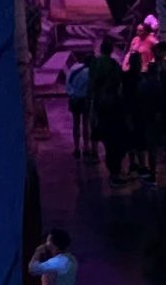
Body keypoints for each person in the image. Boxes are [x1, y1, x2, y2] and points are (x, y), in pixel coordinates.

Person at [88, 37, 124, 176]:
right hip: (111, 101)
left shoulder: (95, 63)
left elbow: (91, 81)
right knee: (110, 130)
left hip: (98, 100)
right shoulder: (114, 64)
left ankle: (94, 152)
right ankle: (111, 157)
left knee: (95, 125)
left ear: (101, 49)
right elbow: (119, 83)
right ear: (111, 50)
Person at [122, 53, 154, 180]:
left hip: (131, 112)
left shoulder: (125, 77)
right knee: (140, 139)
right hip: (138, 112)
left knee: (131, 139)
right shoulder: (140, 78)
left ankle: (133, 164)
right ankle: (142, 165)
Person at [64, 50, 93, 157]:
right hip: (85, 100)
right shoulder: (90, 72)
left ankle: (76, 148)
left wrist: (72, 94)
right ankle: (86, 148)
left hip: (74, 99)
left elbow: (68, 83)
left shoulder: (74, 68)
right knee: (86, 124)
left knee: (76, 124)